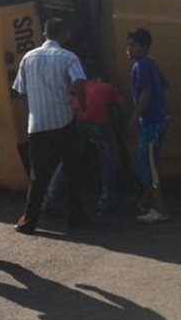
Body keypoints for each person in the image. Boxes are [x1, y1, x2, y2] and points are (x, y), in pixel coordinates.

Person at [12, 18, 88, 234]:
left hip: (37, 125)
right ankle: (76, 217)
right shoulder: (68, 57)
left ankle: (29, 221)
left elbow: (20, 92)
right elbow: (79, 82)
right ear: (64, 34)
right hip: (63, 121)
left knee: (38, 176)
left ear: (44, 33)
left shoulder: (28, 57)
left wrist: (31, 112)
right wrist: (81, 107)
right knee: (71, 170)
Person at [43, 73, 126, 215]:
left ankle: (49, 199)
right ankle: (107, 202)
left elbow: (70, 103)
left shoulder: (81, 87)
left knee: (68, 161)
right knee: (108, 161)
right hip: (100, 126)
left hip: (79, 124)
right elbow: (122, 106)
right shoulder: (107, 87)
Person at [127, 27, 170, 223]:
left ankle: (158, 208)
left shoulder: (141, 66)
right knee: (150, 164)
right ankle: (148, 202)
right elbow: (164, 83)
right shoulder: (151, 63)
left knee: (149, 167)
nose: (129, 49)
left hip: (150, 122)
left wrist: (133, 119)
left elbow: (145, 95)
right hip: (160, 119)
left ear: (144, 47)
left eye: (133, 45)